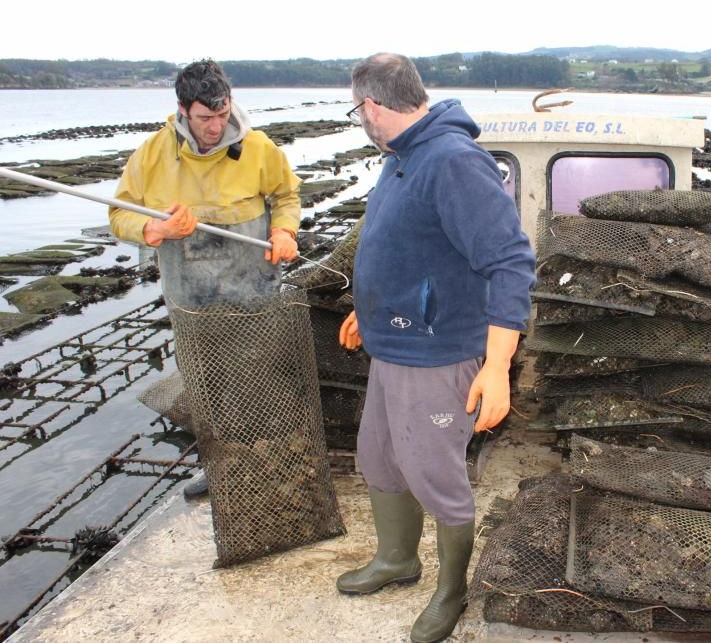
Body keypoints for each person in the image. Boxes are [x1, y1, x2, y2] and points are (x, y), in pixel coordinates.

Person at [336, 53, 535, 643]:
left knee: (433, 470)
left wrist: (496, 367)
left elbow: (511, 262)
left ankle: (452, 592)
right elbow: (409, 245)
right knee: (379, 456)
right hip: (391, 343)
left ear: (372, 105)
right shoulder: (402, 158)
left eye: (356, 110)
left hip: (437, 353)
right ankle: (397, 559)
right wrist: (364, 307)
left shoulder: (452, 161)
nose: (359, 119)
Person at [109, 59, 301, 498]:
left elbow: (287, 196)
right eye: (204, 118)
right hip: (191, 298)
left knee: (260, 380)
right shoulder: (153, 153)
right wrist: (154, 230)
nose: (216, 127)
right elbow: (119, 215)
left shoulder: (258, 148)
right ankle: (217, 468)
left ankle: (274, 464)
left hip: (253, 292)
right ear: (182, 110)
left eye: (221, 115)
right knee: (204, 384)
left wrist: (283, 230)